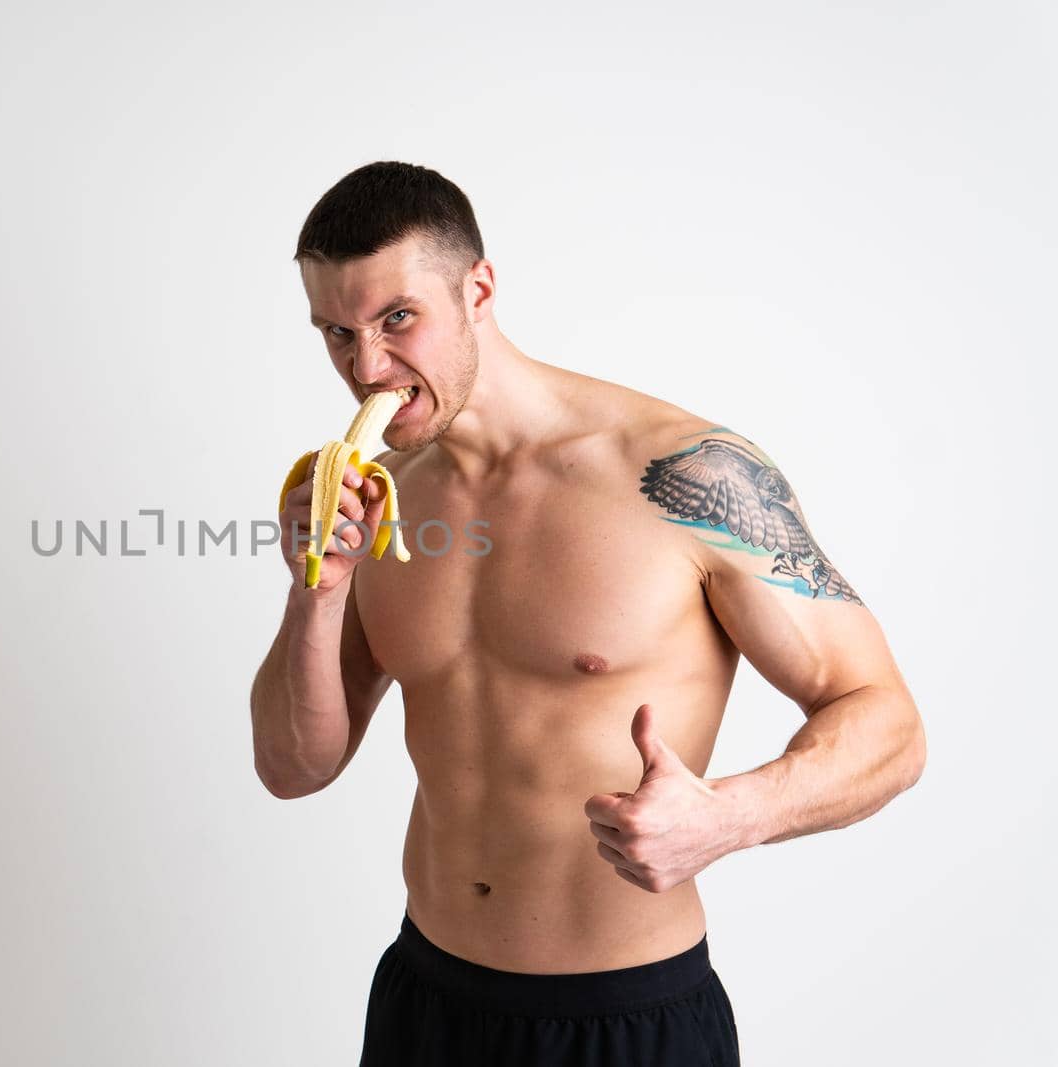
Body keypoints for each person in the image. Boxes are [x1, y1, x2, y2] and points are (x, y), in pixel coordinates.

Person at [248, 161, 927, 1066]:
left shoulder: (687, 476)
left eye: (396, 318)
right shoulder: (384, 498)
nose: (366, 366)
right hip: (428, 999)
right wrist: (317, 590)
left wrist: (729, 816)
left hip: (626, 1019)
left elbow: (889, 722)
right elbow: (295, 767)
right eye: (336, 332)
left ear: (478, 288)